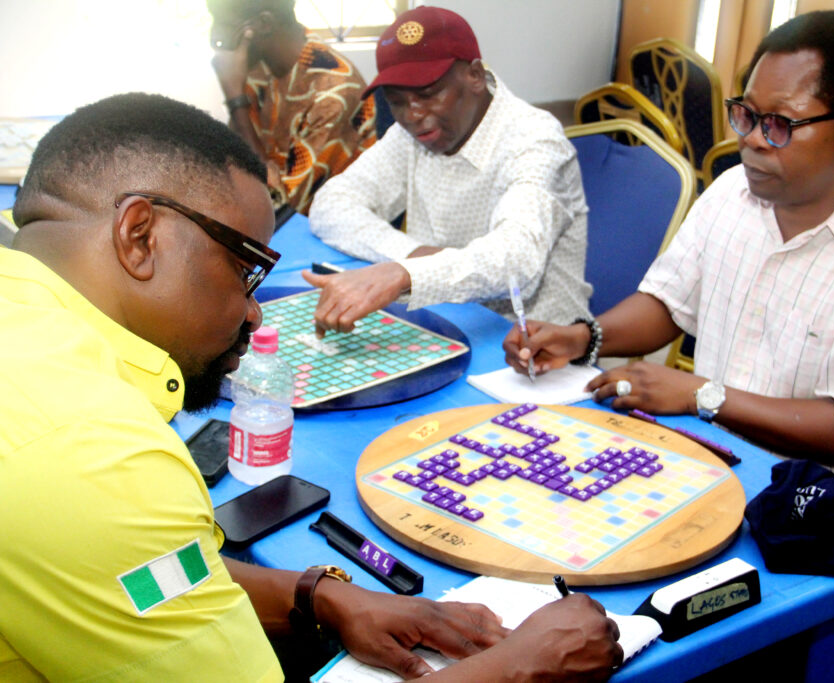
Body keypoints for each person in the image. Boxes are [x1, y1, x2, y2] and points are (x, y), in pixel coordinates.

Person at [0, 92, 622, 682]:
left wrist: (317, 595)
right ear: (140, 236)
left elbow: (138, 578)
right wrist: (519, 667)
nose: (256, 313)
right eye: (246, 268)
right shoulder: (91, 453)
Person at [505, 11, 834, 503]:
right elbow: (669, 304)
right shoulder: (732, 192)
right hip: (708, 466)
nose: (753, 139)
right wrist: (583, 337)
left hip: (823, 515)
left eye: (780, 123)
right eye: (746, 114)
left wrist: (703, 395)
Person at [304, 5, 591, 336]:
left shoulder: (536, 140)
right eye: (396, 101)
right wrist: (412, 256)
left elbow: (516, 260)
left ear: (475, 75)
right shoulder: (409, 134)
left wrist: (405, 274)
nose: (413, 114)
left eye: (428, 93)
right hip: (443, 322)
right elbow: (331, 204)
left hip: (534, 344)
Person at [208, 0, 376, 215]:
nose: (215, 36)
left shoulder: (334, 95)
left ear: (264, 23)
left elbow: (278, 207)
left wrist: (235, 100)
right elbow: (231, 164)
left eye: (225, 24)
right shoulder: (257, 66)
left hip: (323, 227)